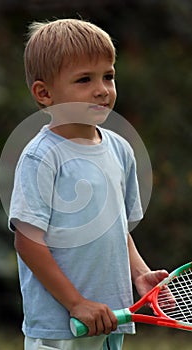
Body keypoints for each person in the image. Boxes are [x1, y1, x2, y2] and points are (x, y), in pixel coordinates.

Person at [9, 19, 168, 350]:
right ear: (44, 93)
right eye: (84, 79)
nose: (102, 89)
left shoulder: (121, 150)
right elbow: (27, 243)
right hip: (61, 327)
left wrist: (139, 273)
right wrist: (76, 303)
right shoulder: (41, 157)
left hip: (112, 319)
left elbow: (116, 228)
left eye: (108, 76)